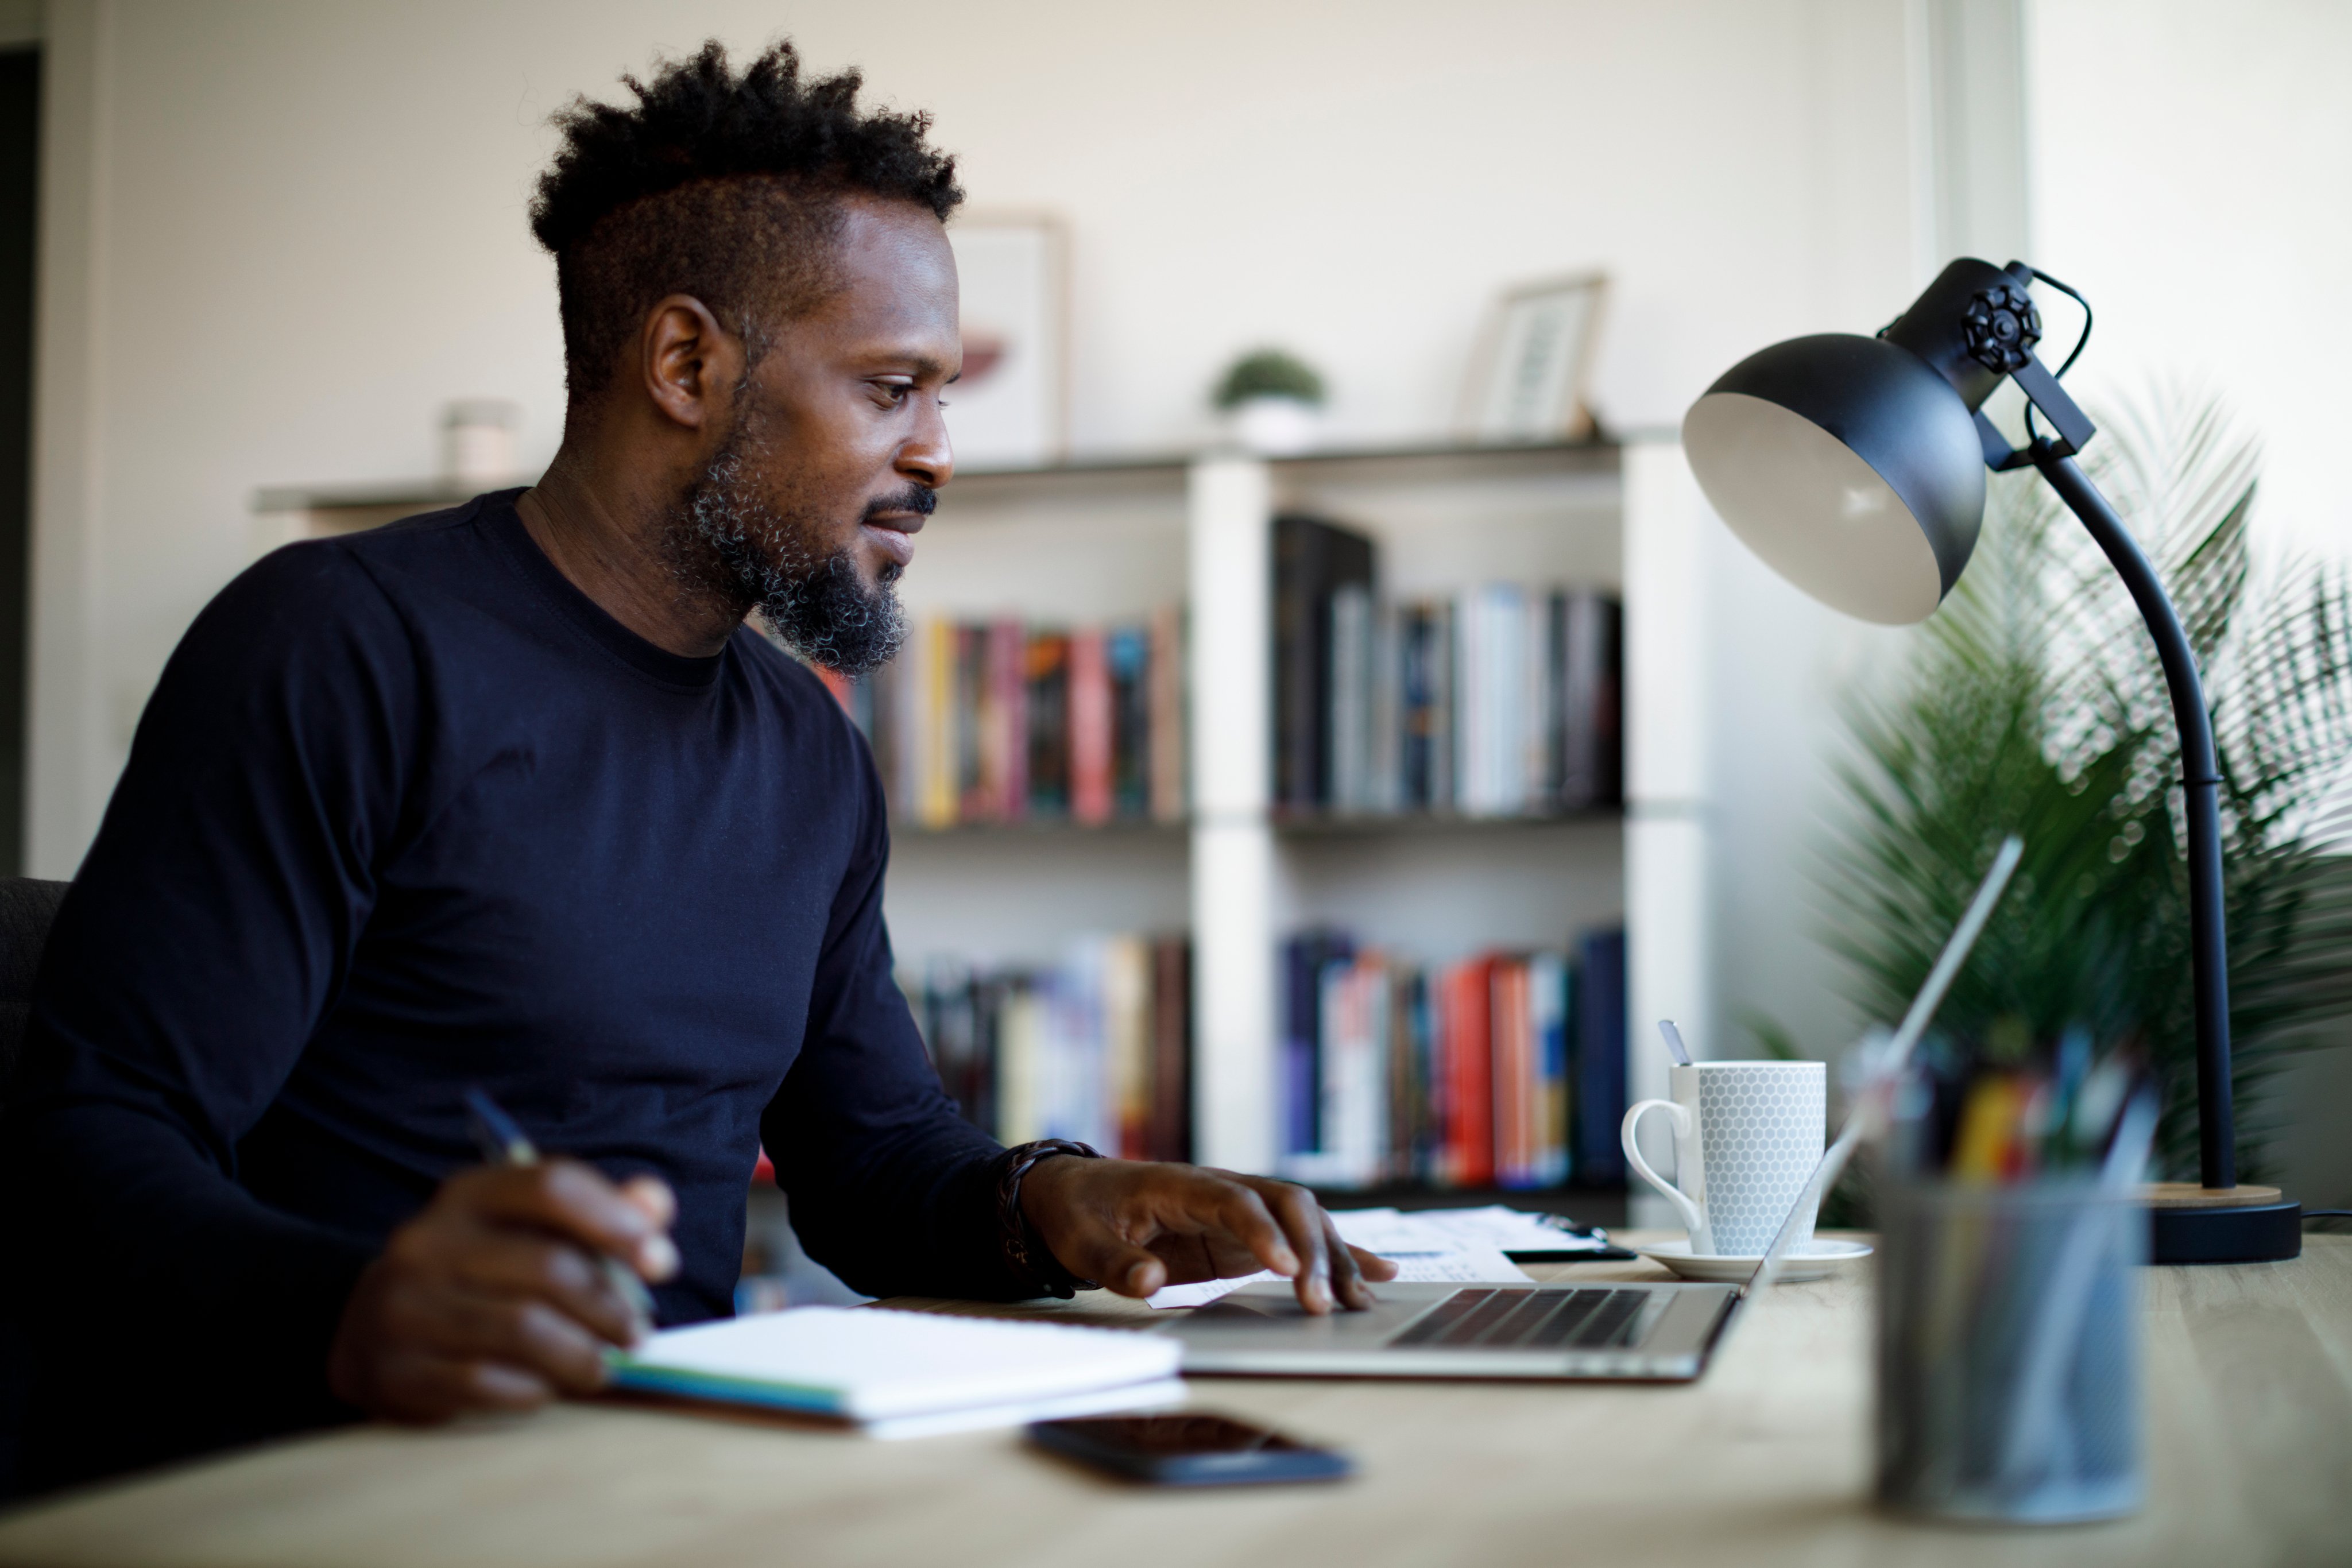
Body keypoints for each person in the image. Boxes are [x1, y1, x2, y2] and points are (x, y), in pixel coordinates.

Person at [3, 39, 1391, 1490]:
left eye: (942, 396)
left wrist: (1062, 1196)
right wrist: (355, 1307)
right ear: (686, 364)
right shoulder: (341, 645)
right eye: (891, 387)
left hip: (667, 1474)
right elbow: (92, 1145)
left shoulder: (805, 743)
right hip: (329, 1476)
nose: (936, 451)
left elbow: (872, 1166)